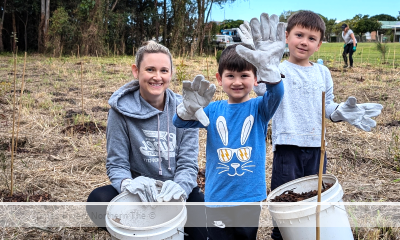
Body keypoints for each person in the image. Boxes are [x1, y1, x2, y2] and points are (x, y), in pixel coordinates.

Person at [237, 11, 383, 240]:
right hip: (287, 147)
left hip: (317, 148)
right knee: (285, 201)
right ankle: (281, 234)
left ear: (319, 44)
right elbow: (262, 91)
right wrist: (266, 68)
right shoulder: (278, 69)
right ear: (286, 36)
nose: (304, 42)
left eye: (311, 38)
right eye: (299, 35)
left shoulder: (323, 73)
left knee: (315, 200)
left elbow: (328, 108)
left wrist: (340, 112)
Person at [173, 14, 285, 240]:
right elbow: (180, 122)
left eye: (244, 75)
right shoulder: (213, 109)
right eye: (230, 75)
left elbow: (277, 93)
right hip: (217, 197)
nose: (236, 81)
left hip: (249, 197)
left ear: (256, 78)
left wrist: (271, 72)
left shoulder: (259, 108)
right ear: (219, 78)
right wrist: (185, 110)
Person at [86, 40, 207, 240]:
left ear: (171, 73)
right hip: (139, 192)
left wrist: (179, 189)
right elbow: (116, 163)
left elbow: (188, 164)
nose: (157, 77)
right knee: (97, 201)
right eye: (150, 69)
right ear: (136, 71)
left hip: (174, 190)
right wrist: (127, 184)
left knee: (203, 226)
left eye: (164, 70)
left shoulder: (185, 110)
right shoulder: (120, 111)